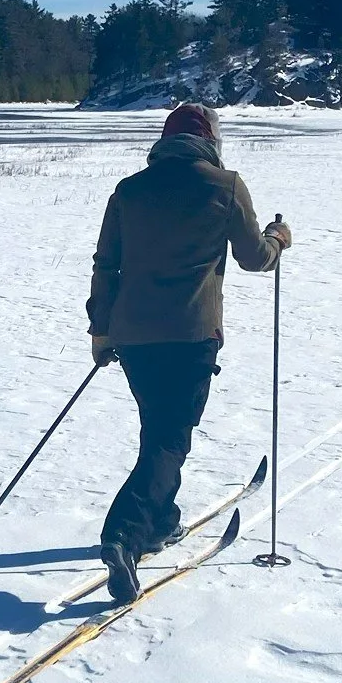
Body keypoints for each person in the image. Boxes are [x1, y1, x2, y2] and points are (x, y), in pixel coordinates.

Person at [86, 103, 292, 603]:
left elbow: (105, 264)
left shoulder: (130, 190)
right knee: (169, 439)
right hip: (190, 334)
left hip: (132, 336)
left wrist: (100, 331)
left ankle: (161, 521)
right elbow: (254, 258)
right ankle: (124, 535)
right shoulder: (224, 185)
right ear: (211, 141)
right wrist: (278, 239)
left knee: (159, 430)